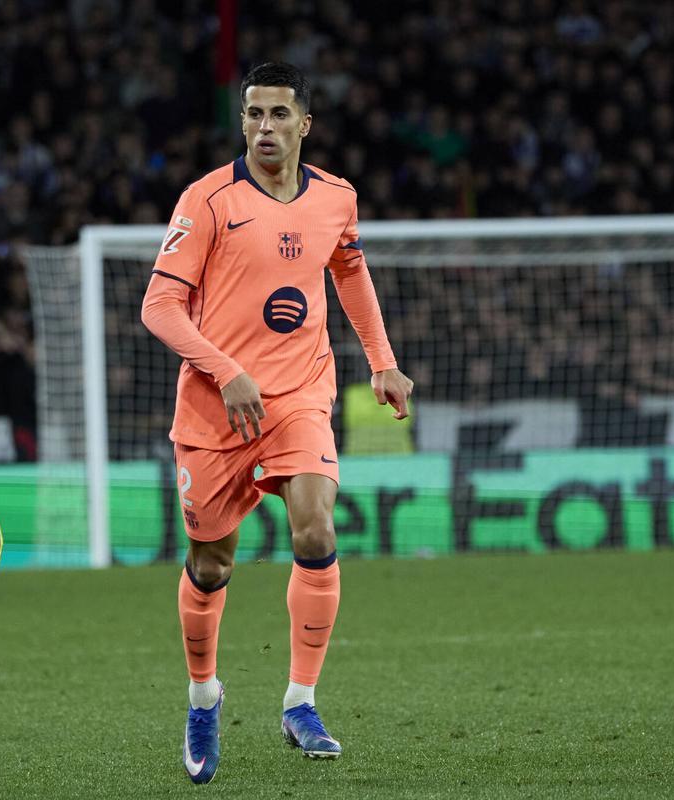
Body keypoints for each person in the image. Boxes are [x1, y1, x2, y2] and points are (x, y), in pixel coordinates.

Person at [140, 62, 413, 784]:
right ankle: (204, 697)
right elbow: (158, 307)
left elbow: (349, 270)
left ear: (305, 124)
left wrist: (381, 361)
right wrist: (226, 371)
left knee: (317, 528)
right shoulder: (207, 200)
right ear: (242, 123)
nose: (265, 127)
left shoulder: (336, 199)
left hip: (299, 393)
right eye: (253, 114)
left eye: (279, 115)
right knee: (212, 563)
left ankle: (301, 700)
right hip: (214, 406)